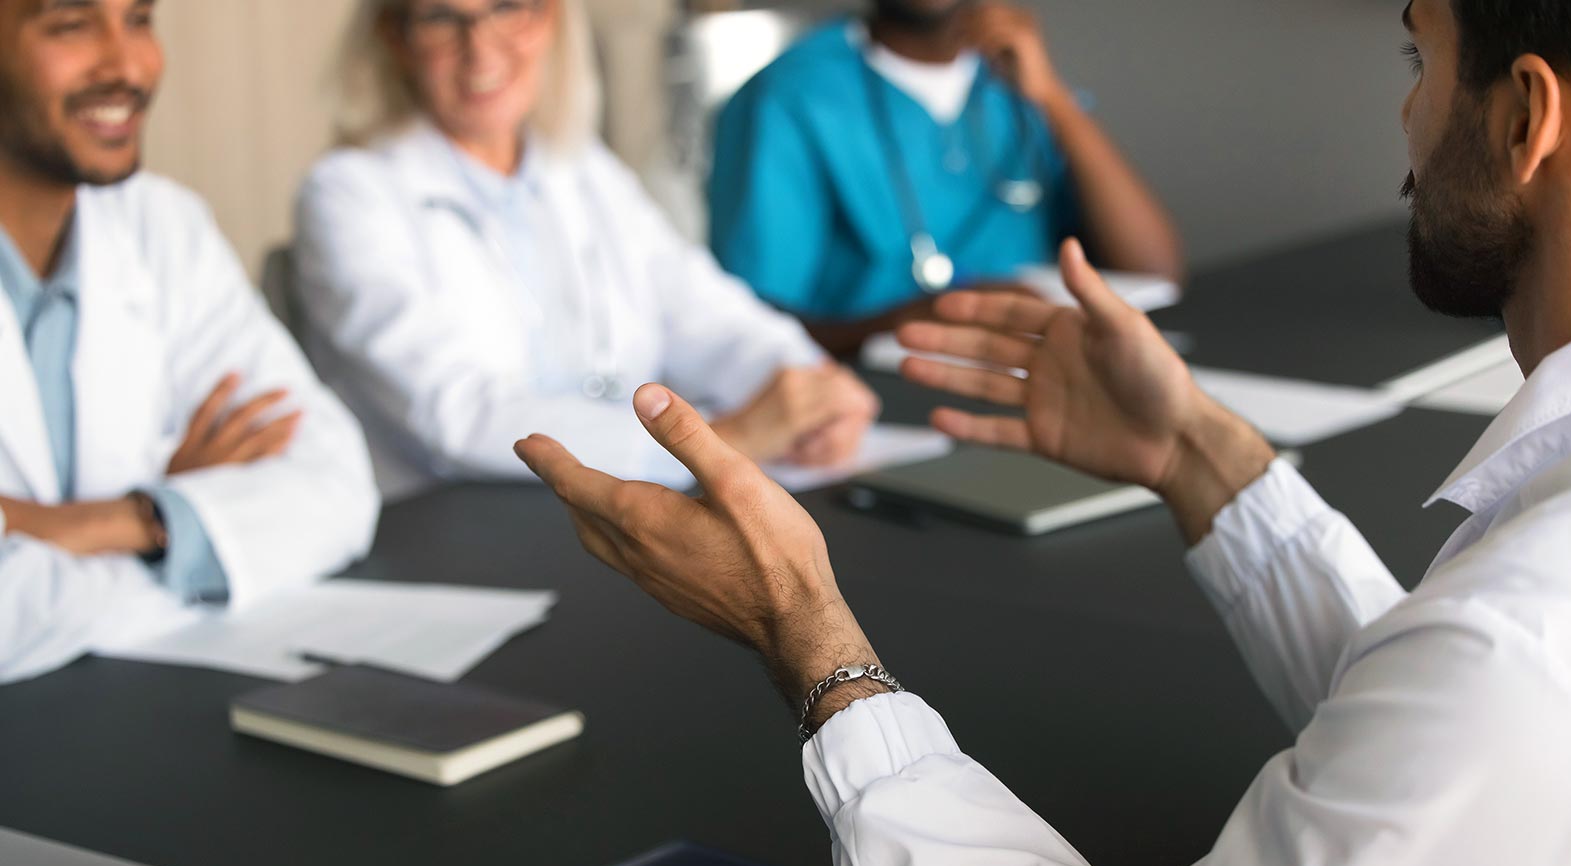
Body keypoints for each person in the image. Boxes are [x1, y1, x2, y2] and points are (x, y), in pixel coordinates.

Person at [518, 0, 1571, 866]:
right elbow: (1437, 745)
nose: (1406, 116)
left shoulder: (1524, 651)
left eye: (1420, 57)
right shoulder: (1523, 654)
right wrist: (1196, 460)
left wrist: (805, 631)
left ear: (1522, 119)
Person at [294, 0, 878, 501]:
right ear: (396, 40)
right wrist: (719, 441)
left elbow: (701, 308)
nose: (481, 50)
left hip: (617, 511)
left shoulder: (580, 168)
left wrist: (805, 387)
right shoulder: (348, 193)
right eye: (442, 19)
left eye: (506, 7)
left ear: (550, 17)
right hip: (456, 532)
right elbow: (456, 413)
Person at [0, 0, 379, 685]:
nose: (128, 65)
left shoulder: (163, 227)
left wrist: (129, 520)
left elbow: (336, 484)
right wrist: (192, 534)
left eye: (140, 18)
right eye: (70, 24)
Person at [708, 0, 1183, 359]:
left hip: (1039, 365)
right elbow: (743, 328)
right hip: (881, 392)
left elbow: (1154, 271)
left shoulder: (1016, 78)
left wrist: (1052, 96)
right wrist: (910, 321)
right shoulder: (788, 98)